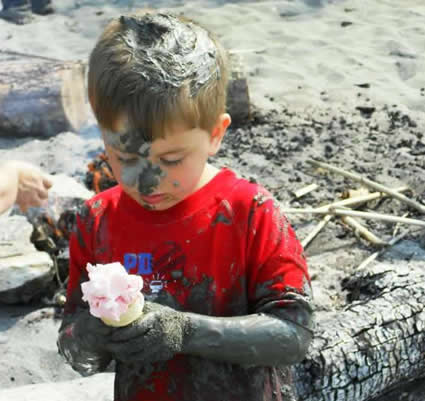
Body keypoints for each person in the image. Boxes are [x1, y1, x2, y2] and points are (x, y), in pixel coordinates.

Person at [57, 12, 314, 401]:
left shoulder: (249, 211)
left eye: (172, 160)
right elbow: (74, 346)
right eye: (125, 158)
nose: (148, 182)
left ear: (215, 135)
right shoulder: (96, 222)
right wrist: (93, 333)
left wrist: (185, 331)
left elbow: (294, 335)